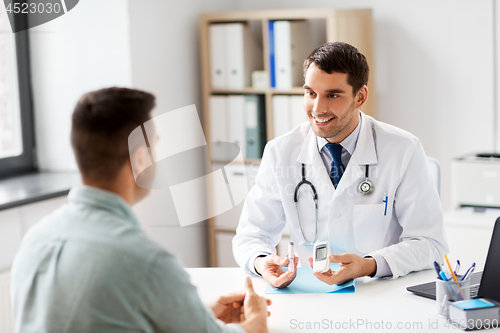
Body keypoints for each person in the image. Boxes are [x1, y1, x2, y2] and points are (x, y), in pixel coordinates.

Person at [11, 87, 270, 333]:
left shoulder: (34, 241)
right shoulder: (145, 261)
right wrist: (255, 324)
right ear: (140, 158)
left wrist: (198, 316)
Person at [233, 42, 449, 288]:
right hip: (310, 293)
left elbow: (430, 243)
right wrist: (262, 262)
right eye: (310, 93)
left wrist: (368, 265)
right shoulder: (280, 152)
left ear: (360, 96)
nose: (317, 108)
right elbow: (251, 236)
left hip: (379, 290)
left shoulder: (403, 149)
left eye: (332, 95)